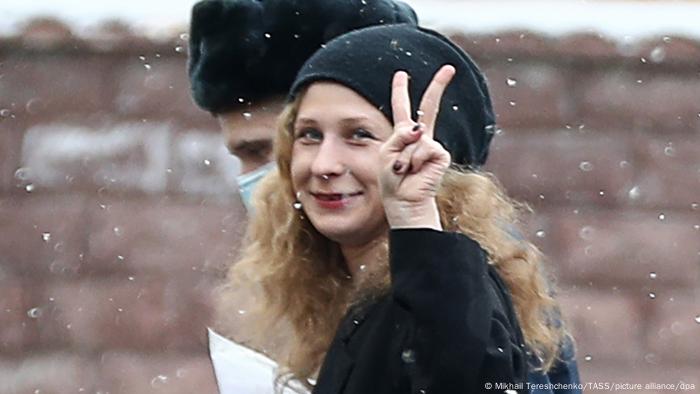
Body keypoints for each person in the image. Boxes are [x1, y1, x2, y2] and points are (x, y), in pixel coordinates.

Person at [216, 23, 580, 393]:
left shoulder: (450, 296)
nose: (323, 164)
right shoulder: (353, 295)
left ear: (434, 162)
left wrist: (413, 215)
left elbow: (463, 376)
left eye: (359, 135)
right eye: (309, 134)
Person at [187, 0, 418, 211]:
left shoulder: (440, 253)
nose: (323, 168)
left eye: (357, 134)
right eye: (248, 154)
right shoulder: (271, 255)